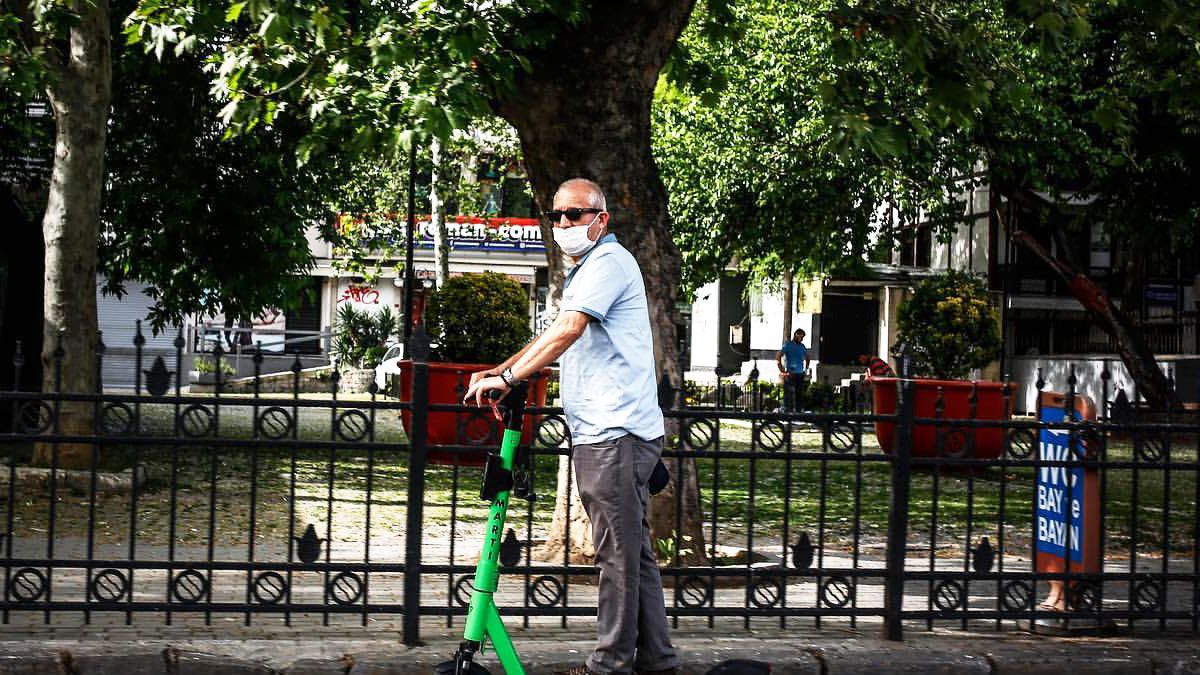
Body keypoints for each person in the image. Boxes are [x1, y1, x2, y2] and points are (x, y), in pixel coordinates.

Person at [463, 178, 678, 675]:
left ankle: (609, 665)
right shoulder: (589, 268)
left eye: (574, 214)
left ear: (601, 220)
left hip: (614, 434)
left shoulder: (609, 262)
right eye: (556, 215)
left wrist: (509, 378)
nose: (563, 223)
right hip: (612, 433)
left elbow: (569, 329)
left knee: (617, 557)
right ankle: (657, 660)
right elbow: (554, 331)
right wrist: (503, 370)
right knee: (634, 554)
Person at [775, 328, 810, 412]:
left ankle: (798, 411)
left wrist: (806, 369)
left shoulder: (802, 346)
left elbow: (808, 357)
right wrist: (781, 368)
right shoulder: (788, 345)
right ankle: (788, 411)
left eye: (802, 337)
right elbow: (779, 356)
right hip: (790, 373)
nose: (801, 339)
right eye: (800, 337)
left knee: (799, 394)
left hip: (800, 373)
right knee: (788, 394)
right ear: (796, 335)